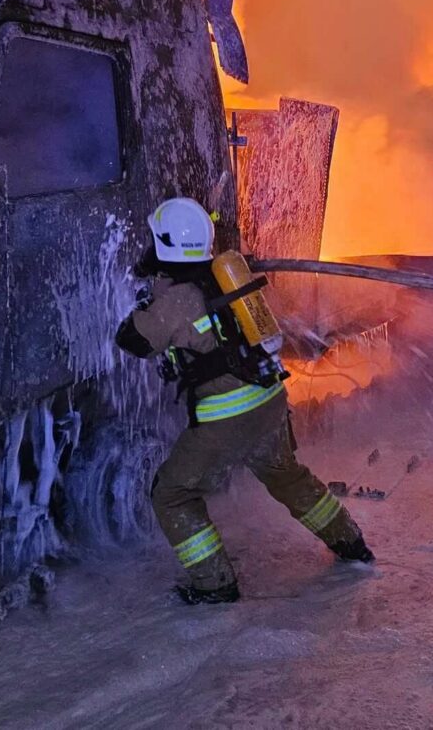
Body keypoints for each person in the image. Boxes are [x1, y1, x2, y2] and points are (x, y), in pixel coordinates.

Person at [114, 197, 373, 605]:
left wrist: (146, 297)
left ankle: (214, 584)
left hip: (226, 418)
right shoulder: (229, 277)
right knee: (287, 475)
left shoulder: (174, 301)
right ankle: (351, 543)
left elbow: (131, 340)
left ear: (161, 244)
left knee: (172, 493)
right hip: (269, 401)